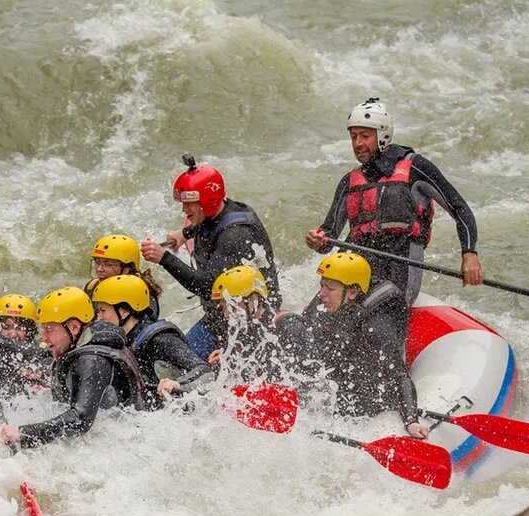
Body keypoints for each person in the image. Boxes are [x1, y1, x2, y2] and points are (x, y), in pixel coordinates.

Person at [305, 98, 484, 306]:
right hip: (353, 275)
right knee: (312, 316)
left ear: (382, 135)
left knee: (371, 310)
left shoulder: (415, 169)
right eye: (354, 136)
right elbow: (328, 237)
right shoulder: (349, 181)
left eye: (365, 136)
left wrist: (469, 254)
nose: (357, 144)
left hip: (398, 273)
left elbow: (459, 207)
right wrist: (317, 240)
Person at [139, 155, 279, 359]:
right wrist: (184, 234)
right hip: (221, 313)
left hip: (251, 318)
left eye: (189, 205)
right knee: (177, 362)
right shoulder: (217, 211)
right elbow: (208, 225)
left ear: (208, 201)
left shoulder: (236, 235)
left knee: (196, 366)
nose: (184, 210)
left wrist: (164, 258)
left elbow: (206, 286)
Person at [300, 252, 430, 439]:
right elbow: (305, 332)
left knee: (352, 399)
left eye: (329, 288)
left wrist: (411, 420)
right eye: (322, 285)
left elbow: (399, 374)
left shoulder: (376, 325)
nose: (322, 293)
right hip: (344, 354)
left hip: (371, 374)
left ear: (352, 293)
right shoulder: (330, 296)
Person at [0, 287, 146, 449]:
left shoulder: (92, 359)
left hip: (125, 448)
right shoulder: (78, 349)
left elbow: (80, 420)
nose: (44, 338)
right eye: (43, 330)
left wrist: (23, 433)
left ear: (75, 327)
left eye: (49, 329)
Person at [89, 274, 213, 408]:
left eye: (103, 311)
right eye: (98, 312)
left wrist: (177, 384)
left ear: (124, 312)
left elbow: (205, 372)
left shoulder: (160, 340)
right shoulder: (119, 340)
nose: (98, 318)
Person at [206, 266, 305, 386]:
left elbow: (308, 380)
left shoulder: (288, 326)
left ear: (254, 299)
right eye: (223, 307)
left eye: (231, 306)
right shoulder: (242, 330)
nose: (226, 315)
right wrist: (226, 360)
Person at [84, 234, 163, 316]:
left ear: (127, 268)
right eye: (97, 262)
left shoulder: (142, 293)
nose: (99, 269)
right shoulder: (92, 287)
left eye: (108, 264)